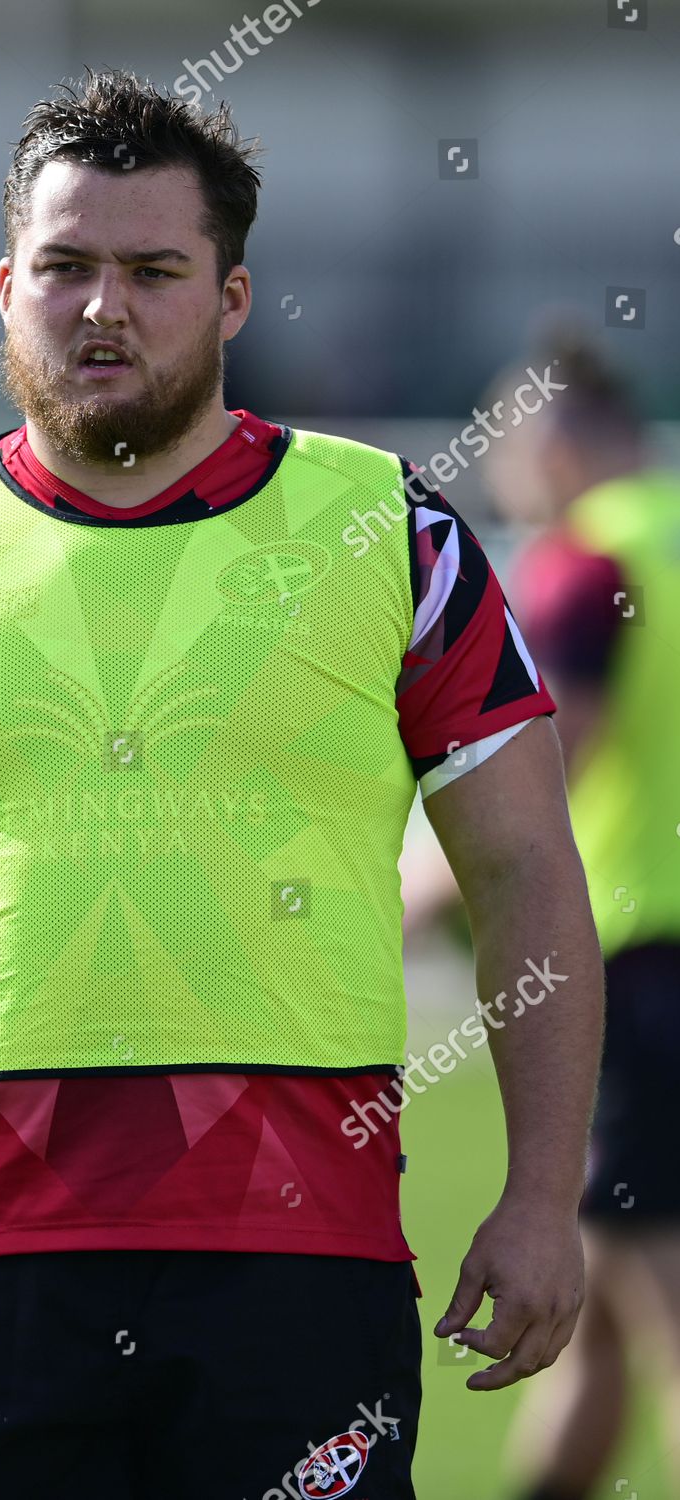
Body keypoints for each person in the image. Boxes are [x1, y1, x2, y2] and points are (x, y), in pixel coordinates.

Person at [0, 69, 604, 1500]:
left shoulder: (392, 535)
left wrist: (540, 1198)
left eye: (151, 270)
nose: (102, 306)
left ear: (229, 299)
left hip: (299, 1267)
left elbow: (523, 872)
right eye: (64, 267)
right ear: (3, 286)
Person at [481, 331, 680, 1500]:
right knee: (595, 1319)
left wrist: (420, 890)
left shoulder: (588, 559)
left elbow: (546, 776)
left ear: (556, 434)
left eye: (508, 435)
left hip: (641, 959)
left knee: (656, 1297)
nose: (503, 465)